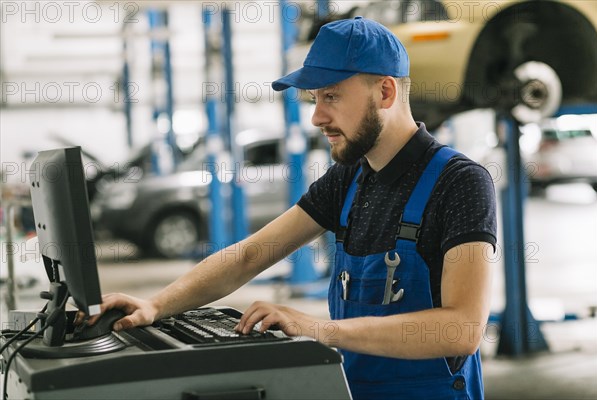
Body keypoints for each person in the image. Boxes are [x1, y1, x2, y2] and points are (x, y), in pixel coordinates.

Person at [92, 17, 496, 400]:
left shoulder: (459, 182)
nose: (318, 116)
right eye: (315, 99)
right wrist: (156, 305)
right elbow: (250, 255)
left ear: (385, 92)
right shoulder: (350, 180)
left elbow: (461, 328)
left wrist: (319, 329)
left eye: (332, 96)